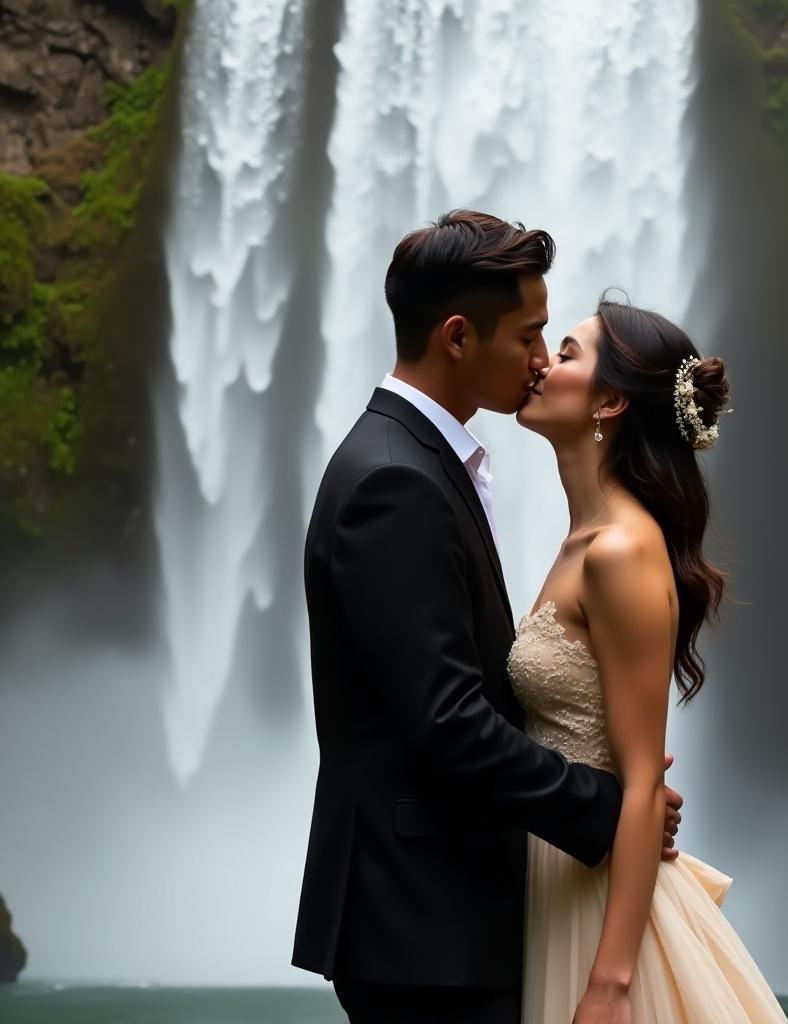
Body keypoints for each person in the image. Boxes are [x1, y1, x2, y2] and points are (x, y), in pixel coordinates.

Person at [291, 211, 683, 1024]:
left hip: (451, 918)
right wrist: (604, 805)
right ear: (460, 337)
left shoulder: (417, 463)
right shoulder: (394, 481)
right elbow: (446, 719)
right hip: (423, 923)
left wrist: (620, 789)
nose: (540, 361)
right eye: (531, 335)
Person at [513, 298, 788, 1022]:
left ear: (608, 400)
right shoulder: (583, 541)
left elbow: (642, 783)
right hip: (558, 874)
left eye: (567, 352)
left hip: (597, 902)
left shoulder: (620, 550)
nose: (541, 362)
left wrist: (609, 984)